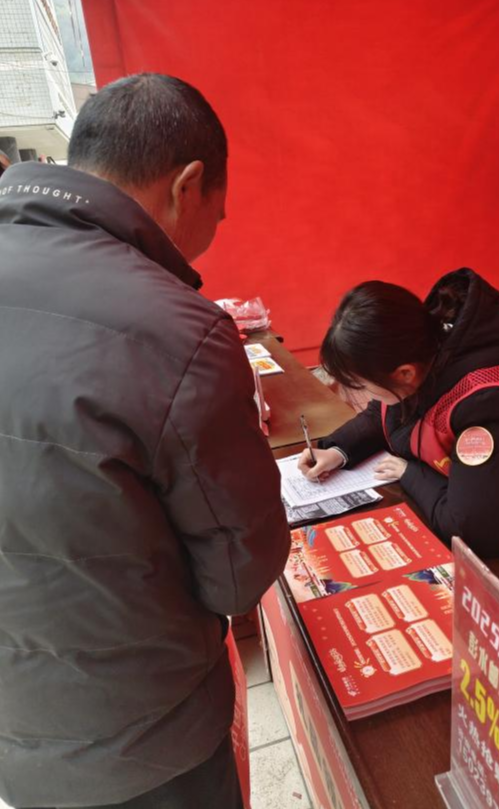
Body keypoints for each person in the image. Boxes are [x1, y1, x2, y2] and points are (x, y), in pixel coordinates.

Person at [0, 74, 291, 809]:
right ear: (186, 186)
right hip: (147, 740)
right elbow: (236, 576)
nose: (215, 230)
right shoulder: (177, 331)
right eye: (218, 213)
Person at [299, 269, 499, 606]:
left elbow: (476, 532)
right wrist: (337, 450)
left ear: (404, 373)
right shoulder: (427, 355)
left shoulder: (489, 404)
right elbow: (385, 412)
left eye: (365, 385)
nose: (367, 395)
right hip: (465, 515)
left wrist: (409, 473)